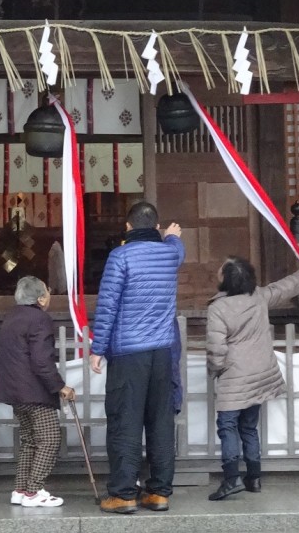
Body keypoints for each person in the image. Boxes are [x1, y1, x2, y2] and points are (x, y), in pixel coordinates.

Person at [90, 202, 184, 514]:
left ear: (128, 228)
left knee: (124, 422)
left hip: (129, 354)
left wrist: (97, 349)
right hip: (162, 353)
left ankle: (123, 494)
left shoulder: (121, 256)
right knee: (160, 422)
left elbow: (107, 307)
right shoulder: (170, 253)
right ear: (155, 227)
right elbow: (177, 248)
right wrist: (171, 236)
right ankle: (158, 493)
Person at [205, 256, 299, 501]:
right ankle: (253, 478)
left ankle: (231, 480)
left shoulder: (218, 308)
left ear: (226, 281)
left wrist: (215, 370)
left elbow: (217, 350)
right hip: (260, 374)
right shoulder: (259, 297)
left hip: (235, 377)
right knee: (249, 427)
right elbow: (284, 287)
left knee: (228, 426)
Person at [0, 276, 76, 508]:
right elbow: (42, 360)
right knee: (49, 439)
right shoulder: (39, 319)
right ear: (41, 298)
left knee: (30, 440)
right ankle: (33, 491)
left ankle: (20, 490)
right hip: (33, 391)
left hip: (13, 391)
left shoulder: (11, 317)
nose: (49, 294)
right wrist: (60, 386)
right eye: (48, 292)